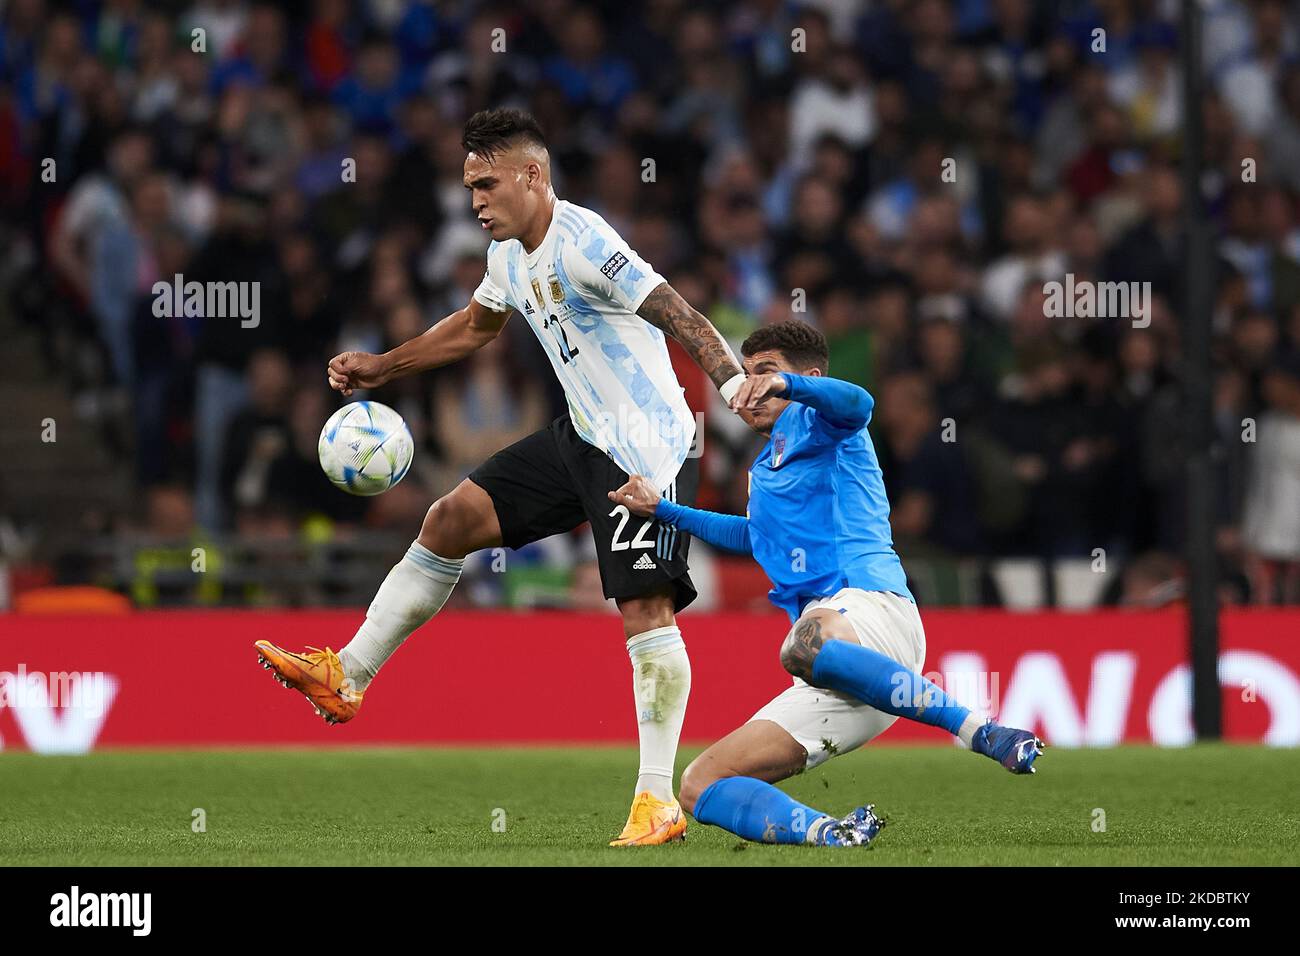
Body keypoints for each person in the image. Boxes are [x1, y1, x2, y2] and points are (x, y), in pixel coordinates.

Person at [254, 108, 746, 846]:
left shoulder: (587, 244)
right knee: (448, 521)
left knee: (645, 612)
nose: (475, 202)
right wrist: (383, 366)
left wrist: (736, 387)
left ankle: (657, 800)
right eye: (468, 188)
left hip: (646, 448)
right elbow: (476, 327)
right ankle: (347, 674)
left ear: (533, 176)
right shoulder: (509, 254)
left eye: (486, 185)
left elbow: (679, 313)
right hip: (581, 434)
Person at [610, 320, 1044, 847]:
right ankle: (830, 833)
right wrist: (664, 510)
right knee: (700, 785)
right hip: (832, 668)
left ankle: (982, 731)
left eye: (765, 372)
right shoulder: (764, 468)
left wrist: (787, 388)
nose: (751, 386)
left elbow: (860, 402)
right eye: (748, 374)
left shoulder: (827, 424)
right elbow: (756, 537)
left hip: (871, 610)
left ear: (808, 377)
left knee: (801, 644)